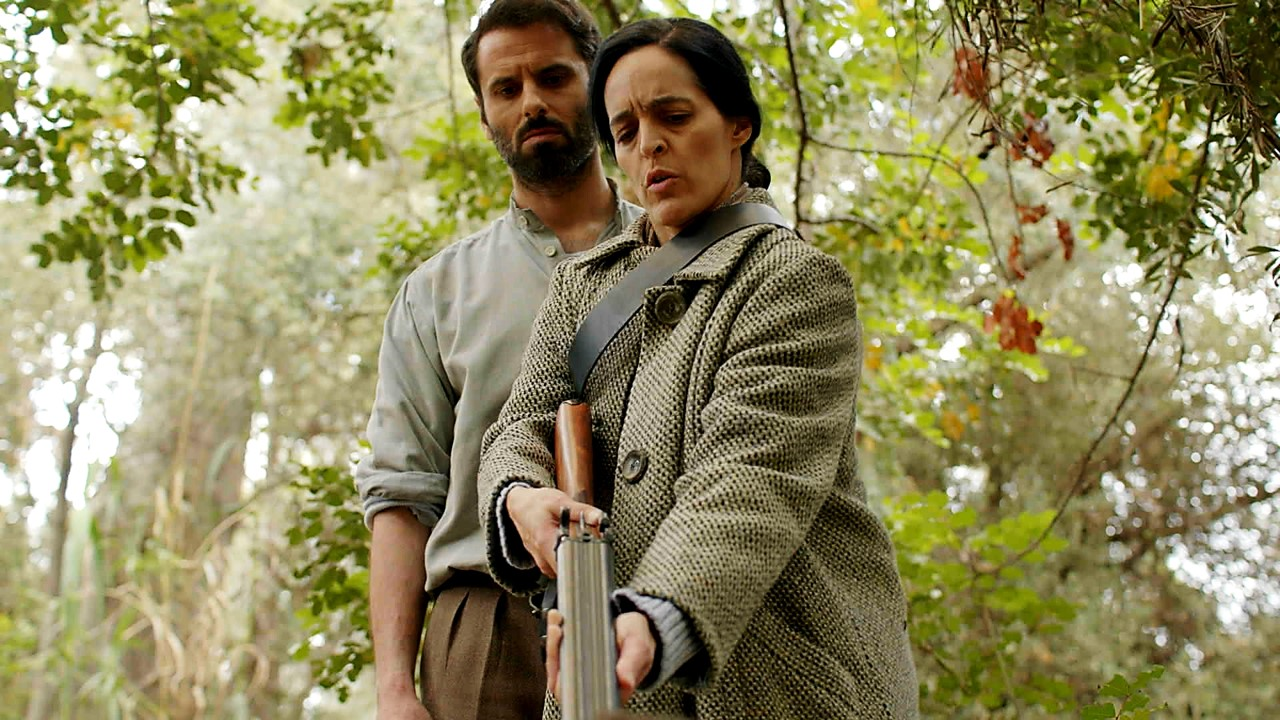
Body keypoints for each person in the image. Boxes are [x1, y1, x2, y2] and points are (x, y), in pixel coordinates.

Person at [478, 17, 920, 719]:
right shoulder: (581, 287)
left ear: (738, 124)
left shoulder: (794, 280)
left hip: (788, 687)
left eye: (674, 116)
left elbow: (750, 482)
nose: (649, 144)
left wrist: (656, 615)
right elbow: (520, 424)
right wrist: (518, 498)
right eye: (626, 131)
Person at [355, 1, 643, 718]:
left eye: (554, 77)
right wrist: (394, 689)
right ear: (485, 116)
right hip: (485, 624)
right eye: (506, 89)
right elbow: (402, 494)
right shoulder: (437, 292)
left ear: (598, 85)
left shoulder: (685, 256)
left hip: (652, 612)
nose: (532, 102)